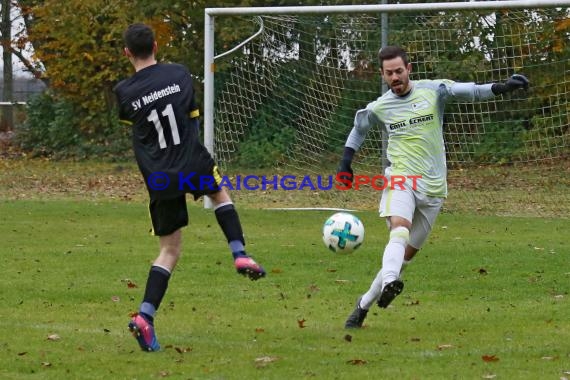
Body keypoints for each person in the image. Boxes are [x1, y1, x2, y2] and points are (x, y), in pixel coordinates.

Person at [338, 45, 528, 329]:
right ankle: (390, 282)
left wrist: (501, 87)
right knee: (398, 230)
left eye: (399, 71)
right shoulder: (380, 106)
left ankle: (363, 305)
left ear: (409, 69)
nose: (395, 77)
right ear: (383, 75)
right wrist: (346, 163)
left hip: (434, 189)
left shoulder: (433, 90)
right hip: (401, 178)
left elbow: (471, 92)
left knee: (403, 258)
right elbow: (359, 127)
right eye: (389, 73)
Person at [113, 23, 266, 352]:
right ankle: (239, 253)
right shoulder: (179, 74)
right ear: (156, 45)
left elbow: (134, 124)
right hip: (190, 159)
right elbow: (191, 114)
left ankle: (145, 317)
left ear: (127, 52)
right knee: (219, 192)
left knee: (169, 251)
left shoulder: (123, 92)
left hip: (159, 176)